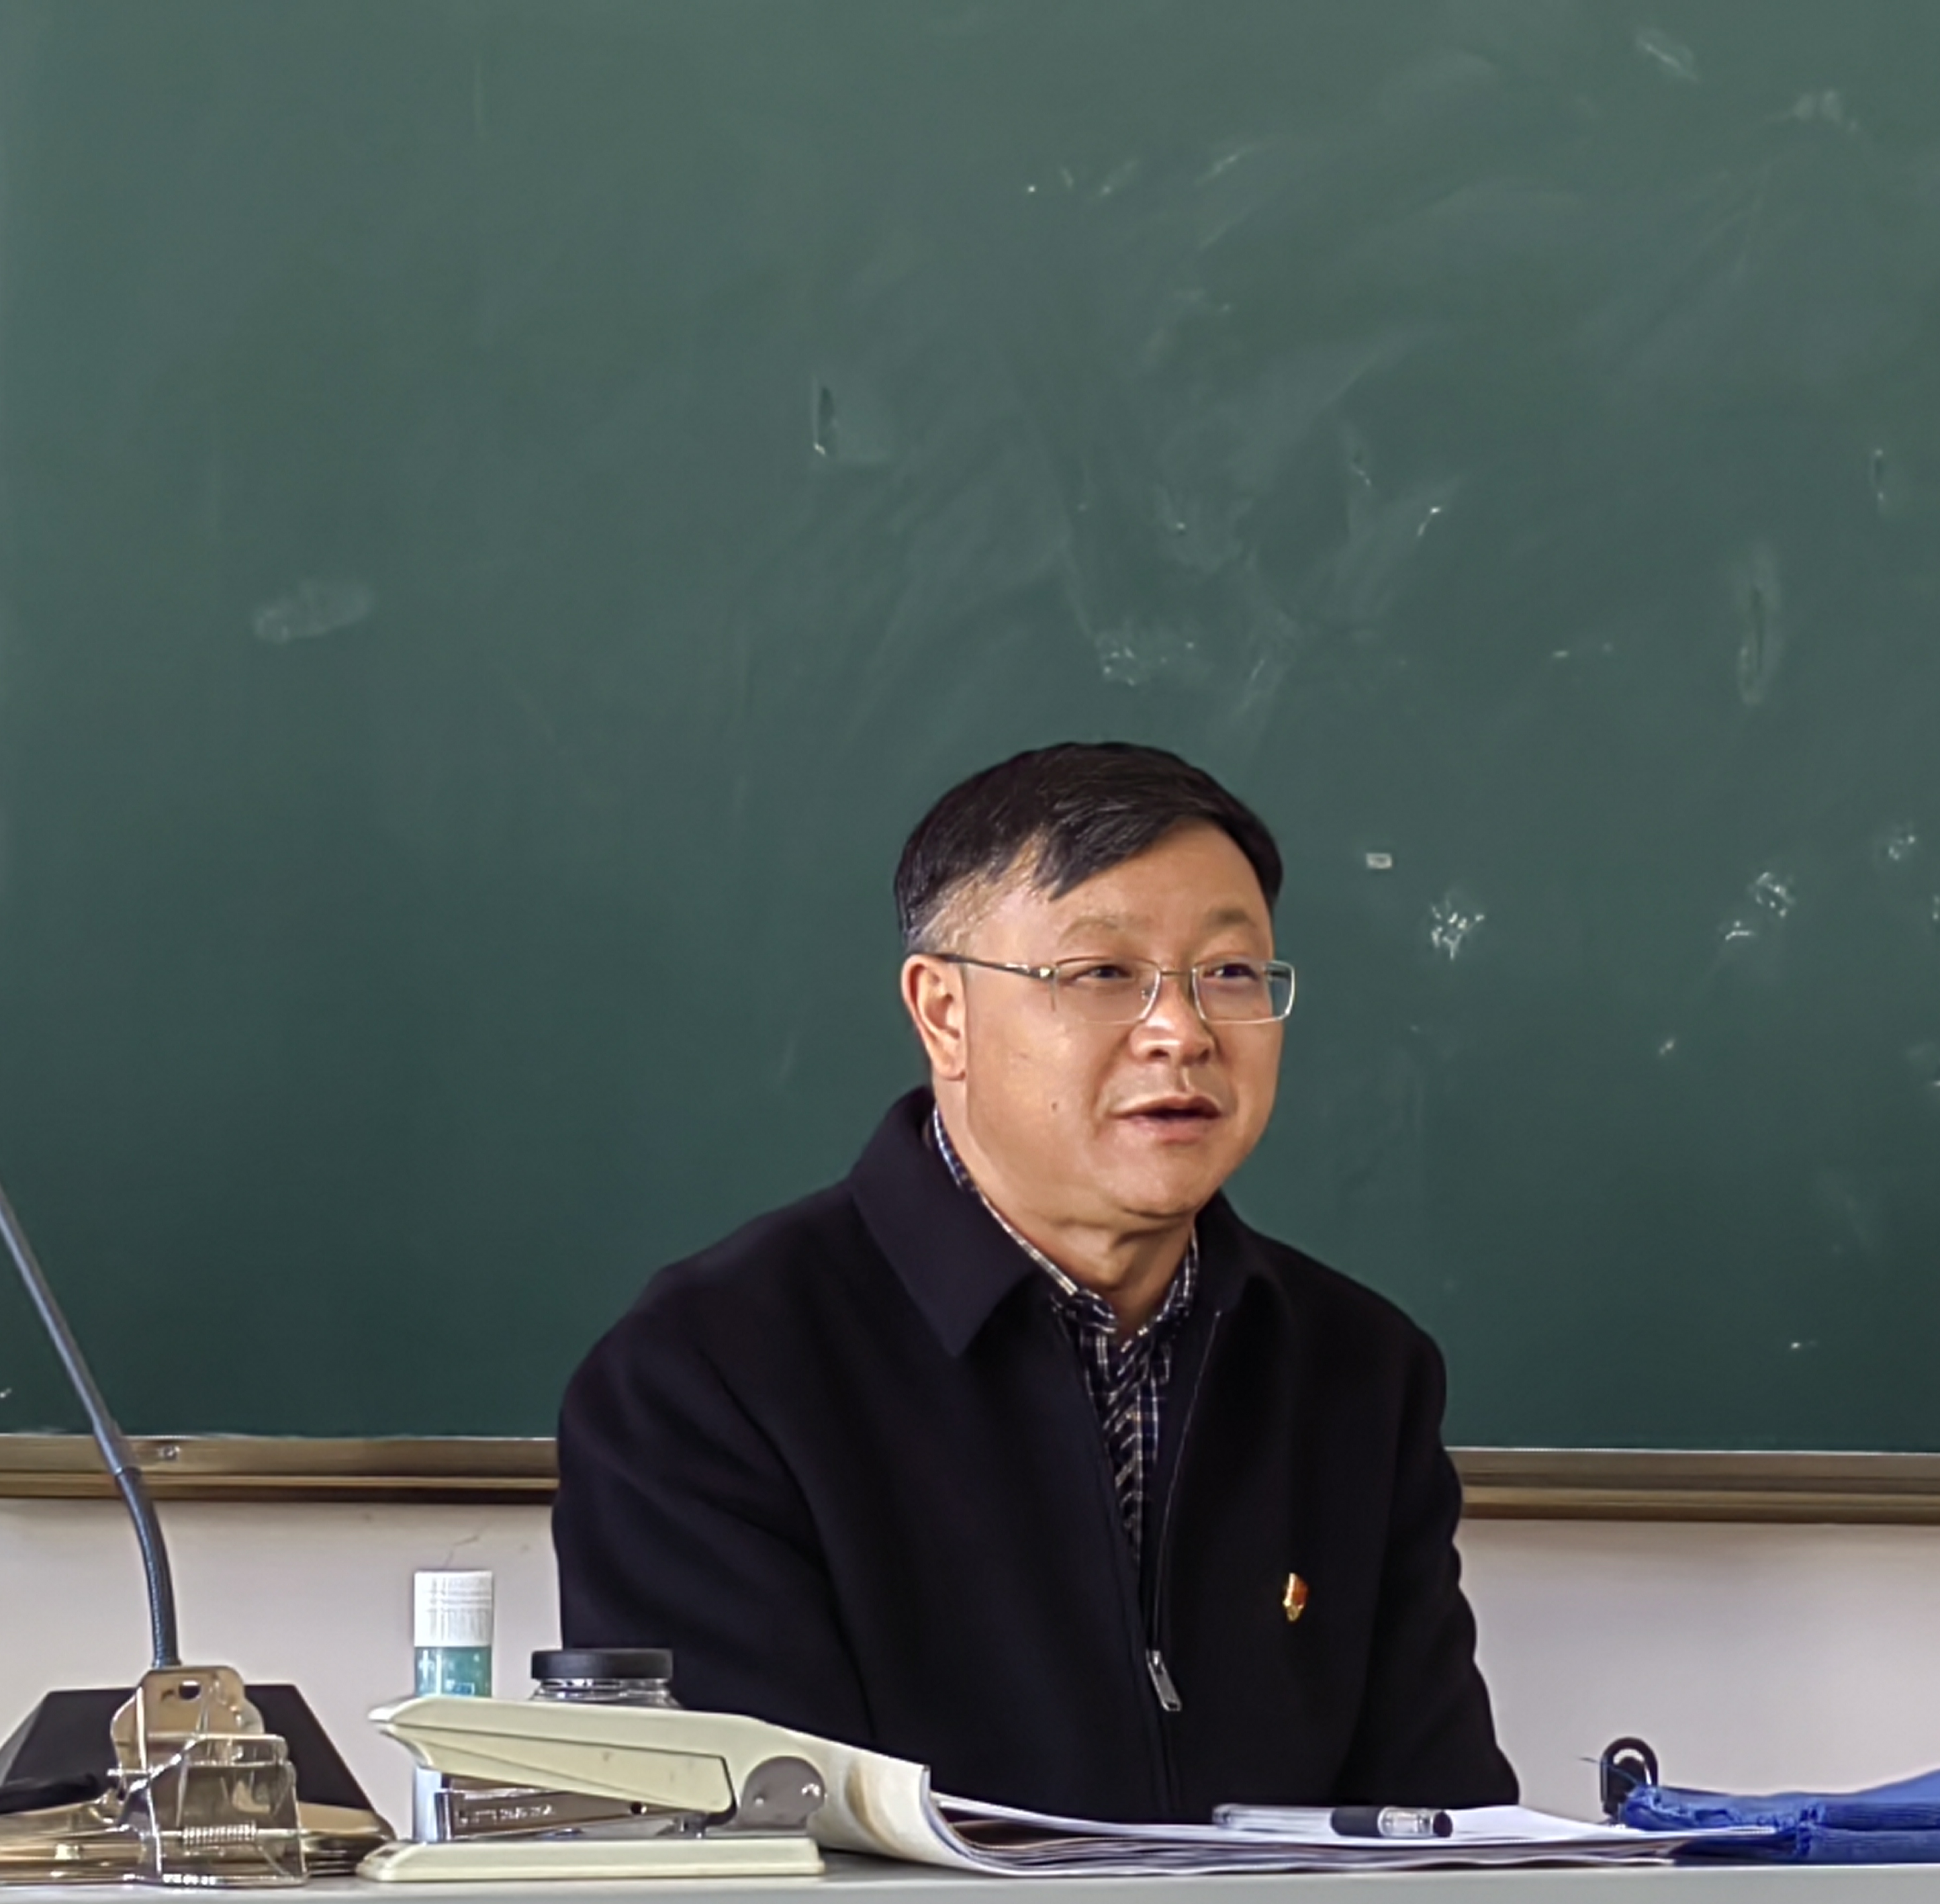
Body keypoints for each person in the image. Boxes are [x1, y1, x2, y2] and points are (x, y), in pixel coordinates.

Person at [554, 743, 1518, 1821]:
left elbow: (1444, 1834)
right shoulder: (707, 1378)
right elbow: (759, 1854)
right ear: (945, 1014)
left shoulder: (1357, 1370)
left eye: (1230, 974)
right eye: (1103, 975)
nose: (1183, 1032)